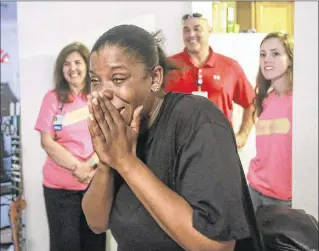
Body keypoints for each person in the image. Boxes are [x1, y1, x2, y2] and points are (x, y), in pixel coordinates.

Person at [82, 25, 265, 251]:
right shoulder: (122, 130)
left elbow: (215, 246)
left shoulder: (198, 120)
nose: (104, 93)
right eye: (95, 81)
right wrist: (106, 163)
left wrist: (126, 162)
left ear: (155, 78)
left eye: (118, 79)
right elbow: (96, 223)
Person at [34, 42, 106, 251]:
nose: (72, 68)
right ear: (61, 69)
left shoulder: (99, 97)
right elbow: (47, 141)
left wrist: (90, 166)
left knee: (94, 244)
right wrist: (77, 167)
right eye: (66, 64)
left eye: (77, 62)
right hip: (59, 190)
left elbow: (108, 139)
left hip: (95, 184)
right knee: (65, 245)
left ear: (88, 66)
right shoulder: (53, 99)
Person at [165, 13, 255, 148]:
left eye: (197, 29)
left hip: (220, 148)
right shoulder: (168, 66)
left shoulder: (230, 67)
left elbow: (252, 103)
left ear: (209, 31)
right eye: (186, 30)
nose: (191, 35)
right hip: (179, 150)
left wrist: (242, 136)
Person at [247, 32, 294, 212]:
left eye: (275, 54)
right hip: (255, 191)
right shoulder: (265, 100)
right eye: (263, 54)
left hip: (285, 199)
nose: (267, 59)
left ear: (290, 59)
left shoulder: (300, 102)